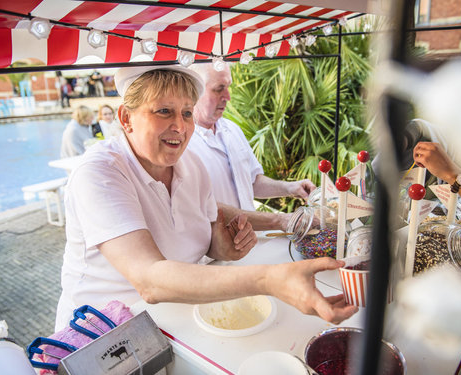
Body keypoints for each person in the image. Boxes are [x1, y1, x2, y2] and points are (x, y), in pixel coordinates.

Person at [55, 65, 357, 331]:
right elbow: (149, 279)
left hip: (177, 319)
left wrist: (221, 245)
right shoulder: (100, 172)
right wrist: (268, 280)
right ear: (126, 118)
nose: (181, 126)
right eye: (164, 111)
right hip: (103, 334)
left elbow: (208, 212)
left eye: (187, 112)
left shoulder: (190, 165)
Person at [187, 63, 315, 230]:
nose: (227, 96)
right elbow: (205, 206)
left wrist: (290, 188)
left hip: (251, 241)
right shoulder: (183, 144)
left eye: (228, 87)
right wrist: (280, 220)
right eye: (219, 89)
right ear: (194, 91)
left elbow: (251, 182)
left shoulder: (232, 129)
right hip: (213, 252)